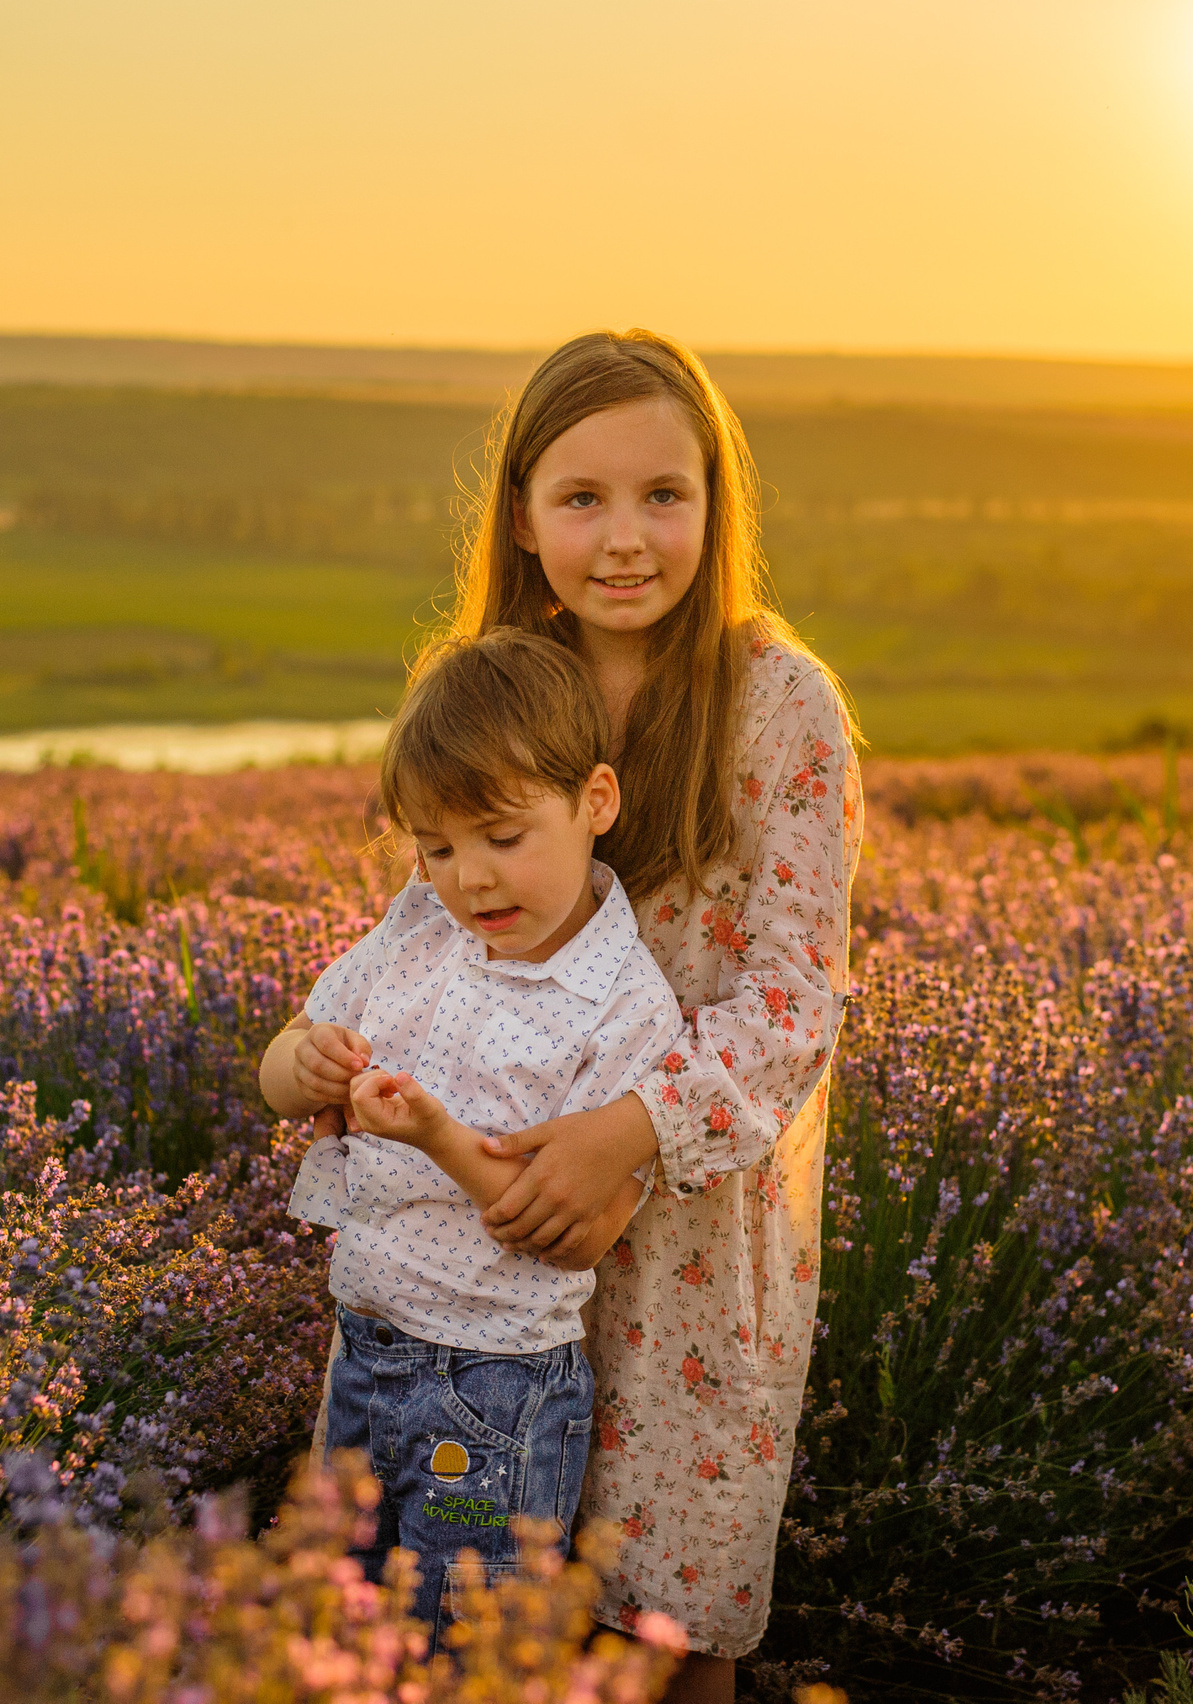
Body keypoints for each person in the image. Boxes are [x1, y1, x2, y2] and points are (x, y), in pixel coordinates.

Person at [456, 329, 863, 1701]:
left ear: (715, 505)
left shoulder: (777, 701)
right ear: (522, 513)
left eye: (662, 497)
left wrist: (628, 1133)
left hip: (693, 1234)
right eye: (581, 500)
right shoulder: (499, 694)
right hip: (510, 1207)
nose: (624, 540)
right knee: (499, 1609)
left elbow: (796, 998)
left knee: (665, 1628)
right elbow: (433, 929)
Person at [260, 627, 684, 1635]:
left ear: (595, 802)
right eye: (436, 847)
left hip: (494, 1392)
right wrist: (300, 1063)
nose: (469, 881)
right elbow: (287, 1062)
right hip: (362, 1352)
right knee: (342, 1623)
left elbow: (560, 1229)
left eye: (501, 839)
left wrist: (435, 1135)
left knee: (470, 1643)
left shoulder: (623, 1007)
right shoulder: (419, 928)